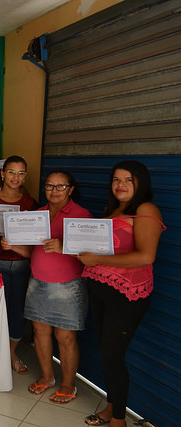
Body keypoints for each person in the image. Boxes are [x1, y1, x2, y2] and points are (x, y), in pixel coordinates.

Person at [79, 161, 165, 427]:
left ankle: (119, 421)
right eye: (116, 179)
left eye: (128, 180)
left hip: (127, 295)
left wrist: (97, 258)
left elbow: (146, 256)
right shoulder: (113, 209)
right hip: (102, 289)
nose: (120, 185)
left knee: (112, 355)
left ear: (141, 182)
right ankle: (111, 408)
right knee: (107, 354)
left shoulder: (146, 209)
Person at [2, 171, 92, 403]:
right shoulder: (37, 215)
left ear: (71, 189)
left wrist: (64, 246)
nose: (54, 191)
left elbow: (90, 255)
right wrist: (13, 246)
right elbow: (33, 251)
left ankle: (68, 385)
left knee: (65, 337)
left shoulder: (81, 216)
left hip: (67, 285)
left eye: (60, 186)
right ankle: (47, 377)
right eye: (50, 186)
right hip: (38, 281)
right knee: (40, 333)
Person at [0, 155, 37, 376]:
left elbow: (35, 239)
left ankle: (11, 353)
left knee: (18, 311)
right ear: (2, 174)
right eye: (11, 172)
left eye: (21, 173)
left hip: (22, 265)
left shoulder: (29, 203)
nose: (16, 177)